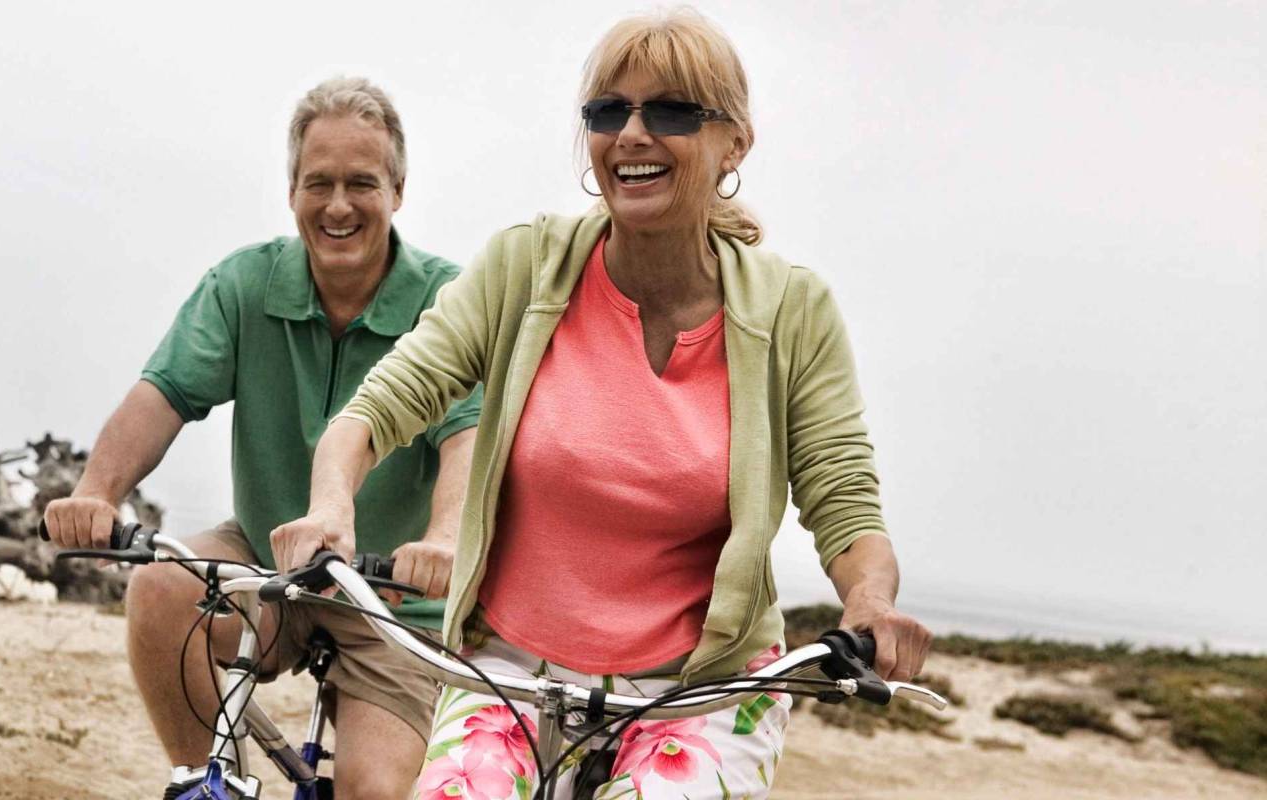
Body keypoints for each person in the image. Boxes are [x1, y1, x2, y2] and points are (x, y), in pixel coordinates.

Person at [270, 10, 932, 798]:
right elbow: (380, 406)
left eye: (673, 112)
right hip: (509, 668)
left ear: (735, 143)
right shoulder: (525, 266)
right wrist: (330, 505)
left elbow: (845, 499)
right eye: (608, 112)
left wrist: (870, 599)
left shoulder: (792, 311)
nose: (633, 134)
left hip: (702, 687)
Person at [43, 76, 481, 799]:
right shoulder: (245, 284)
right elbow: (164, 395)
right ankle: (202, 784)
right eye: (319, 183)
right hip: (269, 560)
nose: (338, 205)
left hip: (397, 598)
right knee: (160, 590)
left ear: (398, 191)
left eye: (361, 183)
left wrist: (441, 545)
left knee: (374, 790)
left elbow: (467, 438)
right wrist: (96, 491)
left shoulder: (447, 301)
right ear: (291, 193)